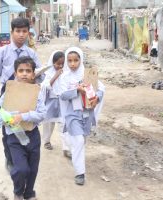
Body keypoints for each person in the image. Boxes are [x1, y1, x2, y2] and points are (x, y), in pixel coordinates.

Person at [0, 17, 42, 172]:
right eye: (18, 31)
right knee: (8, 127)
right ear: (12, 32)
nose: (21, 34)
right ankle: (10, 156)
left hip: (26, 94)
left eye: (24, 31)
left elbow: (41, 75)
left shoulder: (32, 54)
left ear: (28, 33)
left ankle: (21, 156)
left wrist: (38, 75)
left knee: (24, 124)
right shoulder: (2, 52)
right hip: (8, 93)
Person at [0, 56, 46, 200]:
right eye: (21, 70)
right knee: (21, 169)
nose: (24, 74)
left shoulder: (37, 92)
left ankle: (29, 193)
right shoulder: (9, 92)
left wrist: (24, 116)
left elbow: (42, 114)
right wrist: (10, 118)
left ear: (33, 74)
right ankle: (18, 192)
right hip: (14, 136)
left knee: (32, 169)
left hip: (33, 135)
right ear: (15, 73)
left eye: (28, 71)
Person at [59, 47, 105, 185]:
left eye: (76, 60)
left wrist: (97, 97)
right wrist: (76, 90)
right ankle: (80, 173)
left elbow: (101, 88)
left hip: (86, 113)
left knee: (81, 141)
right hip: (72, 114)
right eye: (70, 61)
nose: (73, 64)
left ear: (81, 60)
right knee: (78, 141)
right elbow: (62, 95)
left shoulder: (87, 75)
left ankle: (75, 156)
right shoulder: (64, 77)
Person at [41, 50, 72, 158]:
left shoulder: (66, 73)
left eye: (62, 64)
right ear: (52, 62)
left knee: (64, 124)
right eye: (57, 63)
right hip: (51, 101)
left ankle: (66, 148)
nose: (60, 66)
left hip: (62, 102)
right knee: (49, 124)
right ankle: (46, 141)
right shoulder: (49, 73)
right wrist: (56, 76)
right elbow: (46, 86)